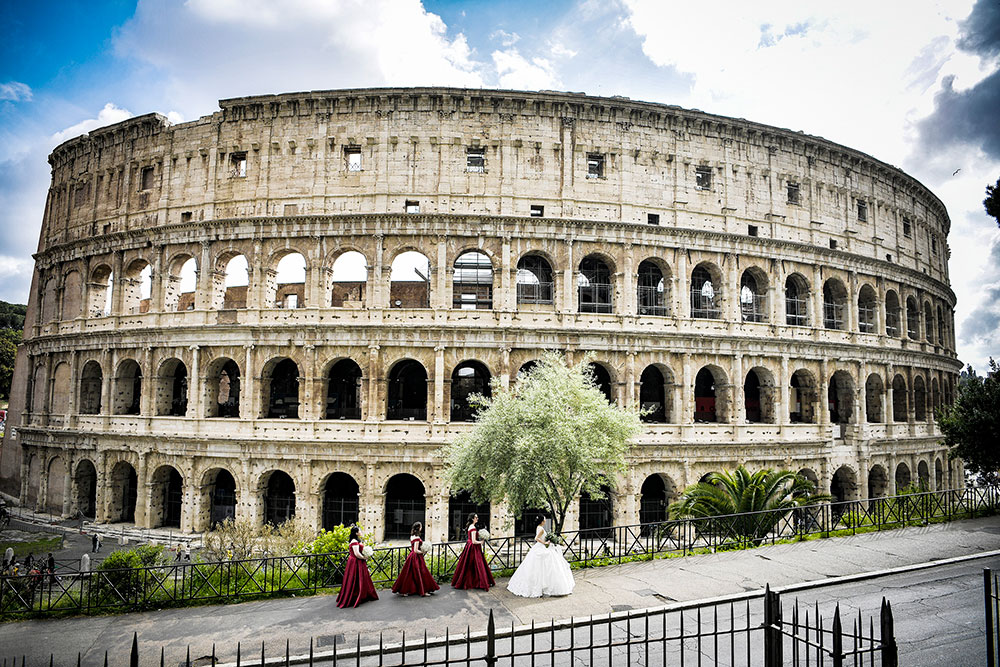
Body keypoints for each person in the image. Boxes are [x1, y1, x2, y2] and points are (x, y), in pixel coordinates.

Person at [507, 515, 575, 598]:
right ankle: (547, 586)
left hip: (538, 547)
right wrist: (545, 543)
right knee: (548, 565)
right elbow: (536, 538)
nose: (545, 520)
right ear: (542, 521)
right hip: (541, 547)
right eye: (545, 519)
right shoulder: (541, 529)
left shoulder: (538, 527)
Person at [392, 522, 439, 597]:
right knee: (422, 573)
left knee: (409, 574)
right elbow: (416, 550)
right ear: (418, 528)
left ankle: (405, 590)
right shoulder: (417, 538)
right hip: (416, 557)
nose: (421, 528)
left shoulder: (412, 536)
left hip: (411, 556)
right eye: (420, 526)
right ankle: (423, 590)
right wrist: (423, 551)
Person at [336, 525, 379, 608]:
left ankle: (361, 595)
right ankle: (354, 597)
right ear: (356, 533)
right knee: (355, 578)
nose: (361, 532)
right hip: (355, 562)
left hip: (356, 561)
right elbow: (356, 553)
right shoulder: (354, 541)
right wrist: (364, 557)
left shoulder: (356, 540)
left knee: (359, 579)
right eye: (360, 531)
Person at [451, 513, 494, 591]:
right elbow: (474, 541)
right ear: (472, 519)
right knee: (478, 565)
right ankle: (479, 582)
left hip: (469, 546)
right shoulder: (473, 528)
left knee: (468, 565)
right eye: (476, 517)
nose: (477, 519)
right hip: (473, 548)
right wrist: (481, 542)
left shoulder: (470, 527)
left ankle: (471, 581)